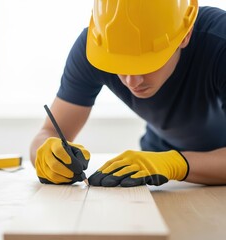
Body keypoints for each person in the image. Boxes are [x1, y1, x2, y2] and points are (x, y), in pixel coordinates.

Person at [30, 0, 226, 187]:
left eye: (147, 64)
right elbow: (50, 132)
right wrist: (47, 154)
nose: (132, 82)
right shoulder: (97, 46)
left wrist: (176, 164)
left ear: (186, 35)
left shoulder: (220, 41)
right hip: (158, 168)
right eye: (119, 64)